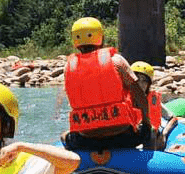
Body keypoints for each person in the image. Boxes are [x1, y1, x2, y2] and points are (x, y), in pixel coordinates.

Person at [61, 17, 154, 152]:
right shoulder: (116, 61)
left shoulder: (69, 67)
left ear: (75, 41)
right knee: (148, 131)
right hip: (122, 137)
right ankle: (149, 164)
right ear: (101, 38)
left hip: (86, 140)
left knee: (64, 136)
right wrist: (146, 123)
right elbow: (140, 96)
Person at [130, 61, 169, 149]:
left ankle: (151, 157)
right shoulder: (124, 99)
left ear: (148, 85)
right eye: (137, 80)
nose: (140, 84)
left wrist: (164, 134)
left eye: (144, 81)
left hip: (149, 135)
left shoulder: (153, 99)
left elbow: (172, 119)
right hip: (131, 135)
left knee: (151, 130)